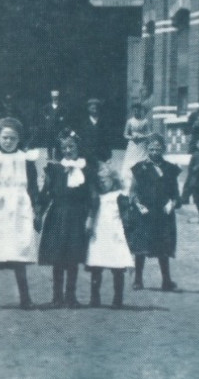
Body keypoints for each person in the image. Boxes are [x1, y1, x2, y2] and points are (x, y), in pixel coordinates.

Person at [0, 116, 38, 310]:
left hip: (19, 205)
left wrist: (37, 207)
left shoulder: (26, 159)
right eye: (5, 138)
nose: (8, 142)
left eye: (12, 138)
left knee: (18, 248)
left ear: (19, 139)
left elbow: (33, 186)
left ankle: (24, 296)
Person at [37, 130, 93, 308]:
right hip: (57, 215)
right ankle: (56, 297)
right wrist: (38, 213)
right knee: (58, 257)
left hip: (77, 216)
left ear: (78, 148)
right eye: (64, 147)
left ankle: (71, 296)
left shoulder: (86, 170)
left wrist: (90, 217)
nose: (68, 150)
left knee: (73, 257)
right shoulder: (54, 169)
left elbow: (91, 197)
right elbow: (45, 194)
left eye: (71, 147)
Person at [128, 131, 180, 292]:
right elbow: (133, 191)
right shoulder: (139, 168)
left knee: (163, 246)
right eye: (151, 149)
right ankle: (138, 279)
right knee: (141, 247)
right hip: (145, 212)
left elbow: (175, 193)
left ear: (163, 149)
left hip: (164, 213)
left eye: (158, 149)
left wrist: (172, 203)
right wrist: (138, 204)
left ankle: (166, 280)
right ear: (147, 150)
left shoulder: (170, 169)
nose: (154, 152)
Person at [85, 159, 135, 308]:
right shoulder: (96, 197)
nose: (102, 183)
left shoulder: (119, 196)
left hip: (115, 234)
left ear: (113, 180)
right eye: (99, 181)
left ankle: (117, 299)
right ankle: (95, 298)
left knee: (117, 267)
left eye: (105, 180)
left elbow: (126, 215)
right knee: (96, 266)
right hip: (99, 233)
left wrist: (126, 230)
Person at [122, 101, 152, 177]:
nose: (136, 112)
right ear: (132, 111)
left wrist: (143, 137)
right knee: (131, 160)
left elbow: (149, 134)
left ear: (140, 110)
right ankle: (130, 176)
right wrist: (131, 137)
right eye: (134, 110)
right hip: (133, 144)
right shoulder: (130, 121)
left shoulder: (145, 121)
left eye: (138, 110)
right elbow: (125, 134)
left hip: (142, 145)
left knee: (141, 159)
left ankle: (142, 175)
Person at [81, 98, 112, 168]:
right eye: (92, 108)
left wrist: (108, 156)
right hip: (87, 154)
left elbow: (107, 140)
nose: (95, 111)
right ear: (88, 109)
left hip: (101, 154)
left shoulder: (103, 122)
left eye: (97, 108)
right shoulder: (84, 123)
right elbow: (82, 139)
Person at [39, 90, 68, 159]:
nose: (55, 98)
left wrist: (62, 117)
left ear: (58, 97)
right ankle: (50, 156)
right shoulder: (48, 105)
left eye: (56, 97)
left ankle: (58, 156)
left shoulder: (61, 105)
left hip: (58, 126)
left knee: (58, 140)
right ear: (51, 97)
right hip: (50, 126)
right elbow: (42, 111)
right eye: (53, 97)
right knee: (49, 141)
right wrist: (46, 116)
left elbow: (66, 112)